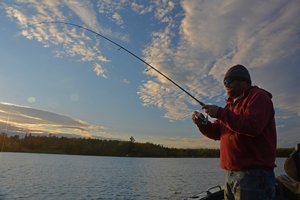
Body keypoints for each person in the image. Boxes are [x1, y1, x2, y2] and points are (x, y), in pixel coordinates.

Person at [192, 64, 277, 200]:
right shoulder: (229, 107)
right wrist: (203, 124)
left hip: (253, 175)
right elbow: (218, 132)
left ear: (244, 81)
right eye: (224, 82)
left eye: (229, 81)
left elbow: (253, 126)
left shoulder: (258, 96)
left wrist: (220, 113)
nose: (226, 85)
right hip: (230, 174)